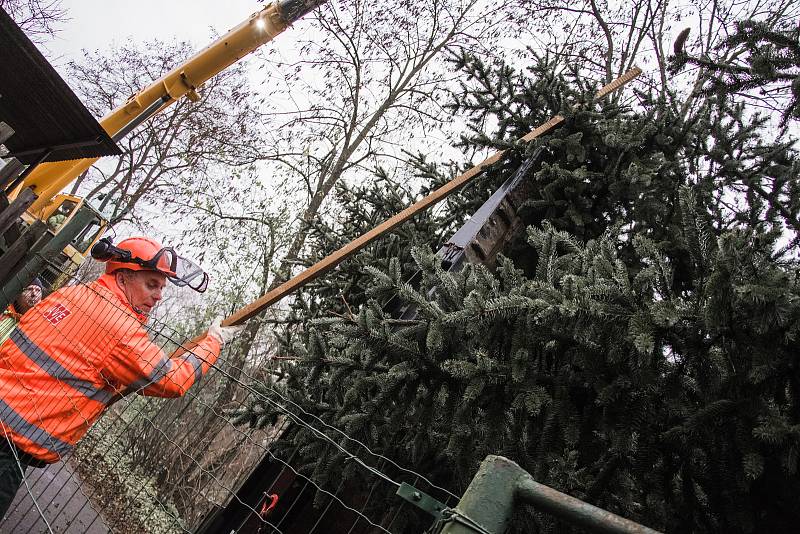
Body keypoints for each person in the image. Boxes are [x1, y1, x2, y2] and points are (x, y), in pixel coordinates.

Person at [0, 237, 243, 517]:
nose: (158, 296)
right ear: (123, 277)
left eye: (161, 288)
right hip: (10, 446)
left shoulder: (72, 295)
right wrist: (214, 342)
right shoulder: (120, 328)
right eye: (151, 284)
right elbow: (172, 381)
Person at [0, 278, 43, 344]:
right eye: (29, 289)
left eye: (38, 290)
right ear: (18, 295)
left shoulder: (37, 324)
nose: (34, 294)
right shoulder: (3, 309)